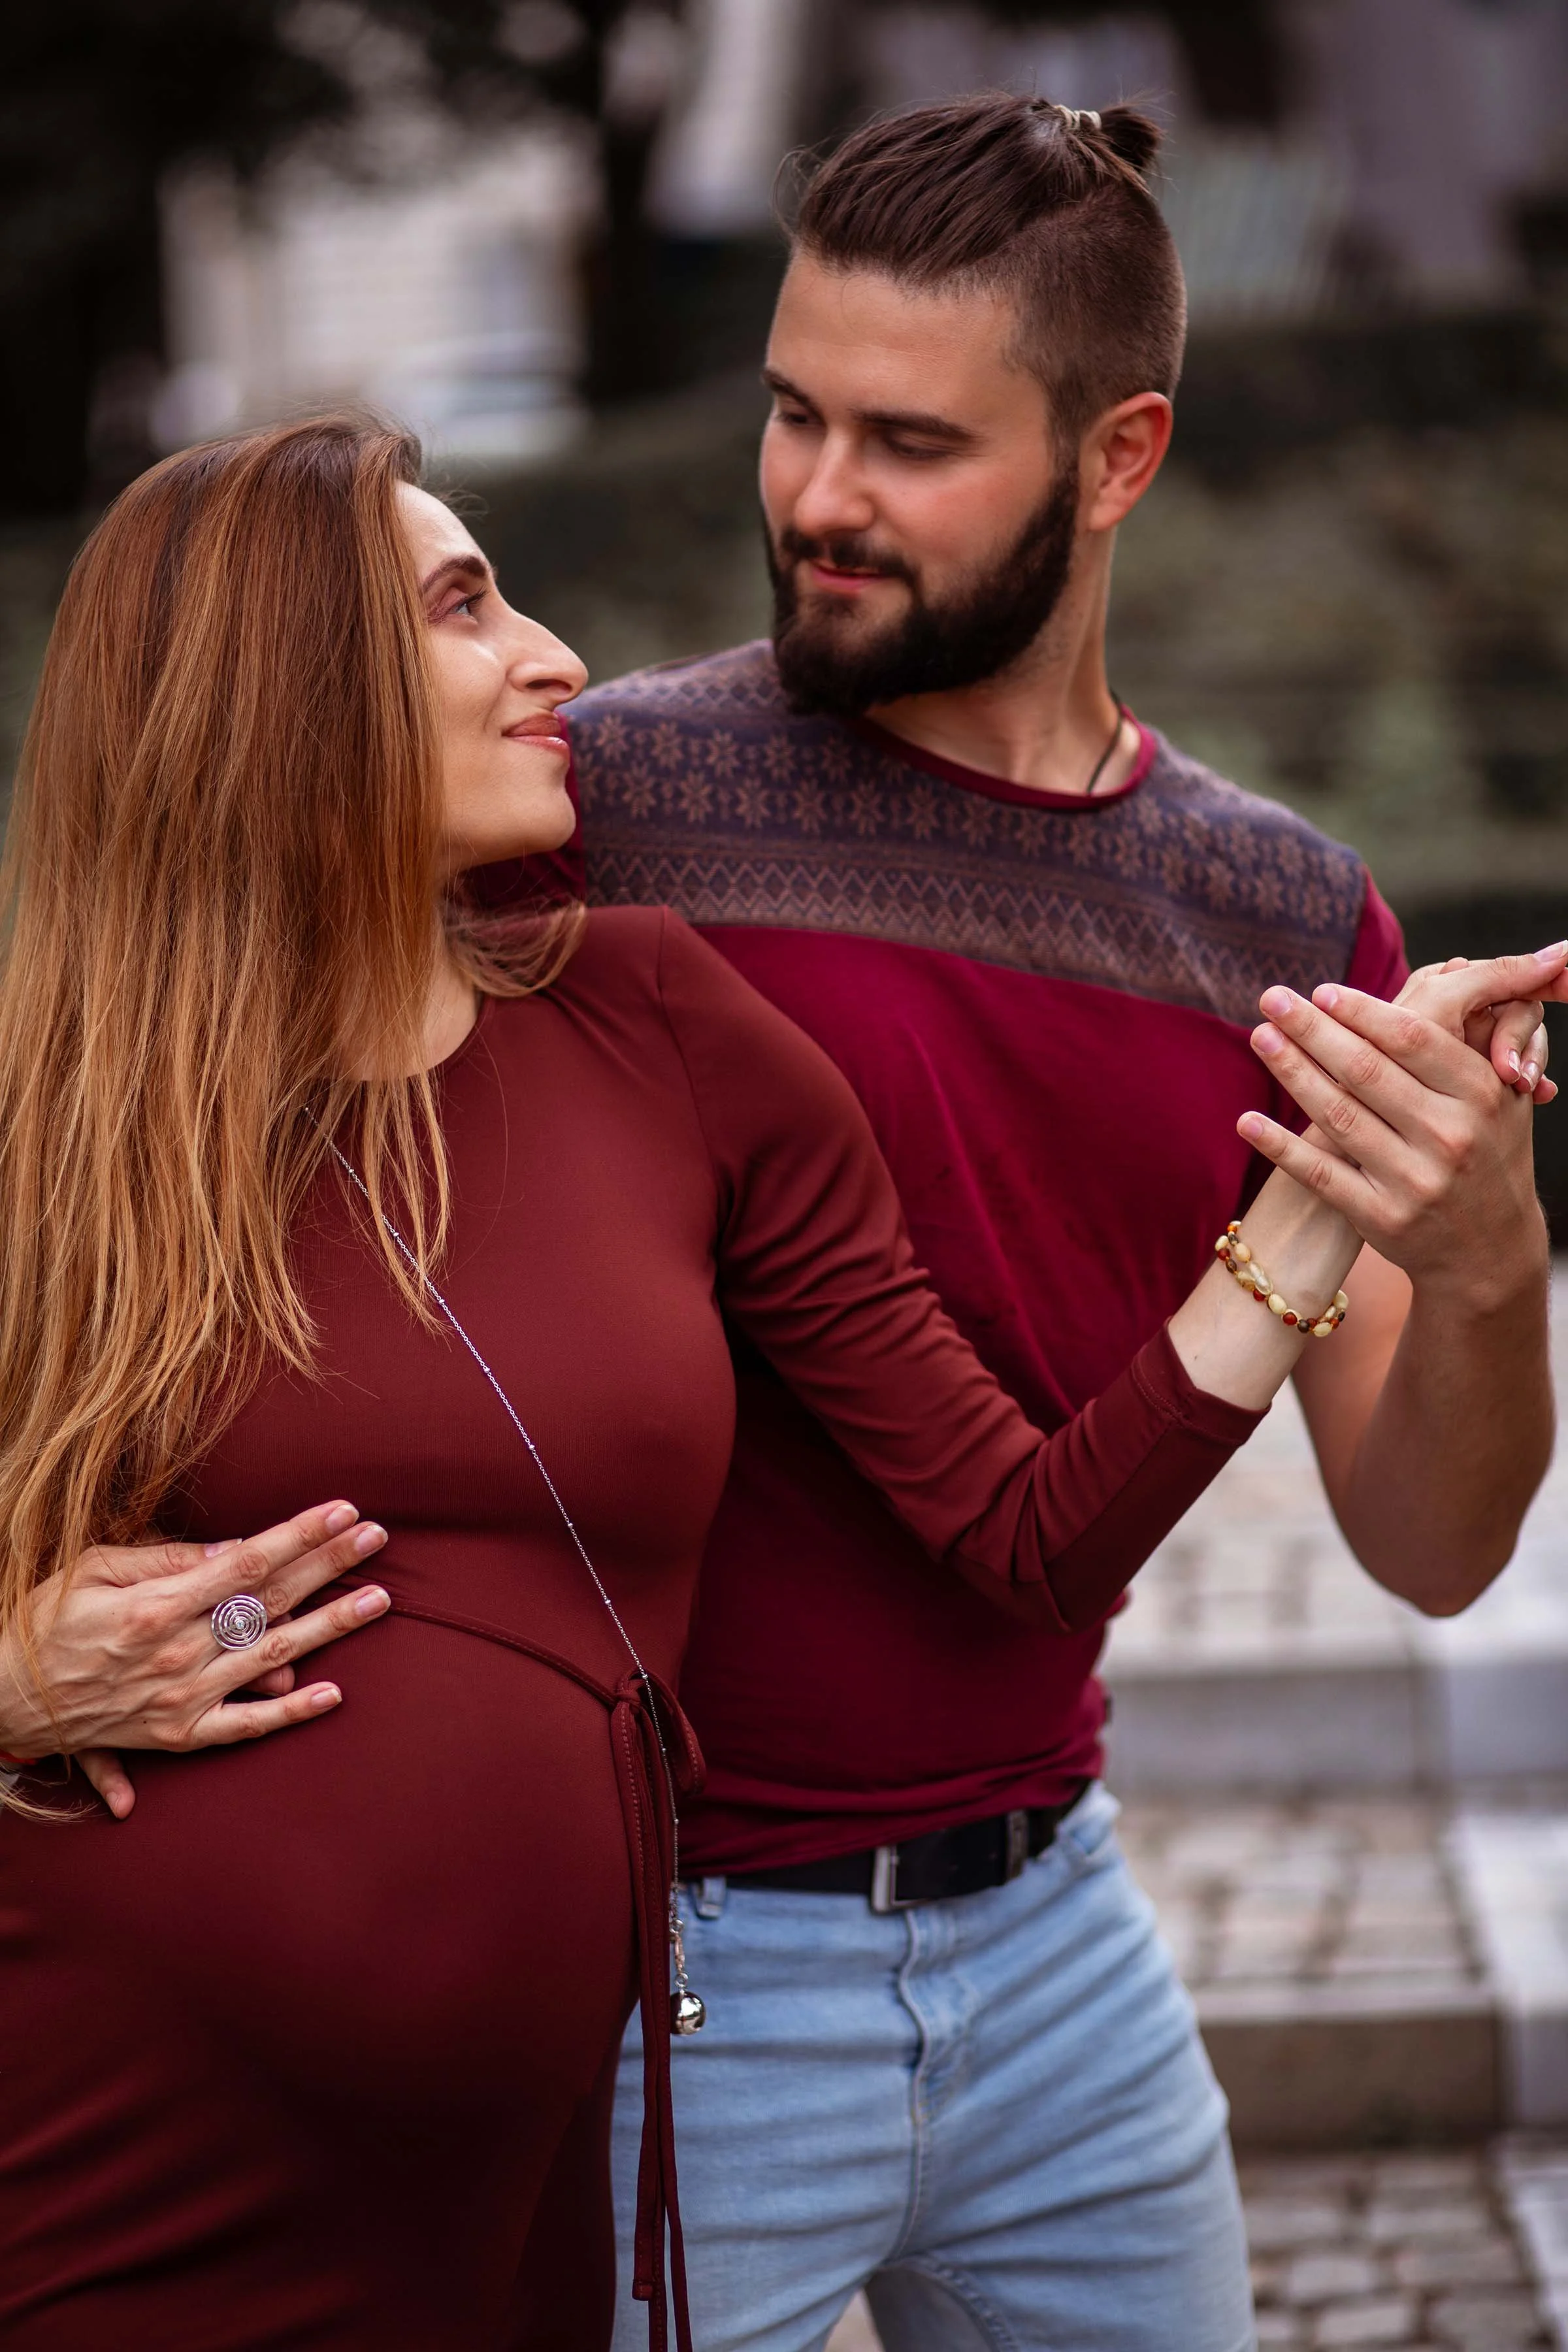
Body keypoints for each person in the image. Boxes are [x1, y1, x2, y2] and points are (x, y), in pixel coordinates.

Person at [0, 416, 1480, 2351]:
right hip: (107, 2162)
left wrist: (1316, 1213)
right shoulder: (63, 1125)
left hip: (513, 2194)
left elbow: (1020, 1529)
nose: (553, 660)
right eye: (465, 607)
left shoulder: (661, 1018)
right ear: (281, 691)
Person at [525, 99, 1561, 2352]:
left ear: (1119, 459)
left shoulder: (1286, 923)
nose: (816, 496)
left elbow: (1434, 1546)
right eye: (792, 413)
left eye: (910, 441)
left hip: (1064, 1950)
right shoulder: (603, 813)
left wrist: (1490, 1266)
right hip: (664, 1991)